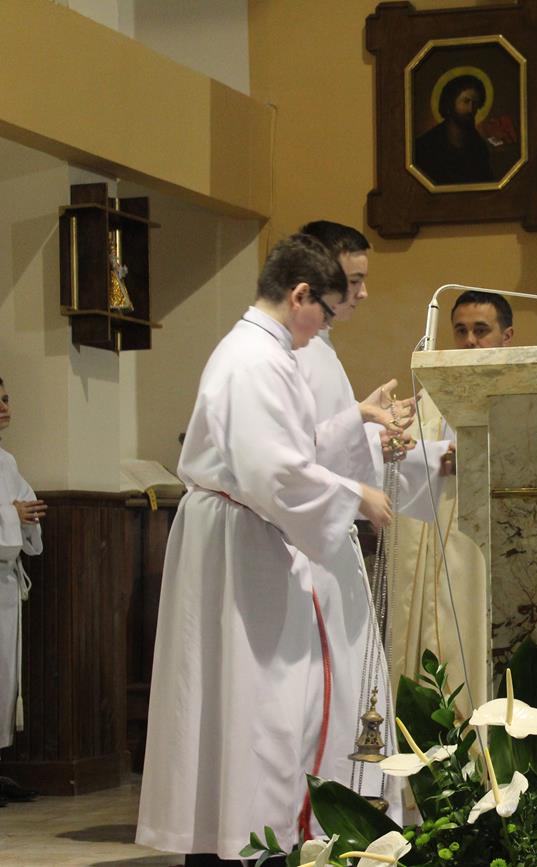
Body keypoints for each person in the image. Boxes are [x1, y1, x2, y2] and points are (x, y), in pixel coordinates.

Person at [136, 234, 395, 865]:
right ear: (300, 295)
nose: (325, 326)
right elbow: (271, 470)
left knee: (256, 701)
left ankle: (245, 833)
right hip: (239, 541)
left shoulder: (262, 350)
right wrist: (357, 495)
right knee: (258, 703)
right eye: (325, 311)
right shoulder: (256, 358)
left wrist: (353, 421)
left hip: (243, 532)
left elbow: (285, 445)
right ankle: (247, 840)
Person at [295, 220, 441, 822]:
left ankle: (348, 817)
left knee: (352, 686)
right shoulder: (296, 353)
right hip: (305, 549)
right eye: (352, 280)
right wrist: (362, 427)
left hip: (328, 542)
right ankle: (329, 821)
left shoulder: (319, 351)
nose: (362, 293)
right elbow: (292, 456)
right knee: (330, 691)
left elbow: (323, 446)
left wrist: (372, 432)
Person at [390, 290, 514, 716]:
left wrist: (476, 458)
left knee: (473, 651)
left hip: (483, 551)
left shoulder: (518, 393)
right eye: (460, 331)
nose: (469, 341)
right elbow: (407, 455)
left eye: (481, 330)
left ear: (506, 337)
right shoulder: (432, 394)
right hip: (431, 547)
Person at [0, 376, 43, 808]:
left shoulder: (7, 462)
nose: (4, 407)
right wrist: (11, 515)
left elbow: (25, 504)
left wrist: (26, 516)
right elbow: (10, 511)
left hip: (6, 583)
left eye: (6, 399)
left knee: (4, 677)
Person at [412, 75, 492, 185]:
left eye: (475, 103)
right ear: (450, 103)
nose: (471, 109)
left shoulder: (479, 147)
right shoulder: (425, 145)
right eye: (466, 101)